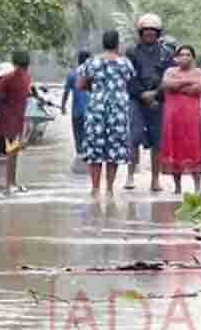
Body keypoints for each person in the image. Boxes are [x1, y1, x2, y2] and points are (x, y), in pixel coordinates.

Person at [79, 30, 136, 198]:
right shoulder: (125, 63)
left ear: (103, 43)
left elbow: (81, 84)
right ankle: (110, 189)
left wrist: (97, 90)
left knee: (95, 148)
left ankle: (95, 188)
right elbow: (129, 81)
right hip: (118, 108)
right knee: (115, 148)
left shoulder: (92, 62)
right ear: (118, 44)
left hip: (97, 107)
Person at [125, 13, 177, 192]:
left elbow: (170, 77)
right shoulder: (131, 52)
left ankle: (155, 180)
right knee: (133, 137)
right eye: (146, 31)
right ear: (140, 32)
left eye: (152, 31)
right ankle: (130, 176)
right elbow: (129, 78)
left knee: (158, 141)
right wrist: (142, 94)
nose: (149, 34)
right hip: (136, 101)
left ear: (158, 33)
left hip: (158, 101)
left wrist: (156, 94)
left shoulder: (167, 54)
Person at [159, 45, 201, 195]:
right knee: (175, 149)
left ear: (193, 58)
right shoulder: (169, 71)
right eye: (182, 54)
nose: (185, 57)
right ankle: (177, 187)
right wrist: (186, 82)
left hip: (192, 119)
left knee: (194, 149)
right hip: (173, 118)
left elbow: (198, 87)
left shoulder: (199, 72)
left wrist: (177, 85)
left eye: (188, 55)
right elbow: (166, 84)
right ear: (176, 58)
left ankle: (197, 187)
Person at [0, 51, 35, 196]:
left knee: (14, 151)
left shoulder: (20, 77)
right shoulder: (12, 78)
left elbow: (0, 97)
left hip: (17, 119)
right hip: (11, 119)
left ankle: (12, 183)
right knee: (12, 152)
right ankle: (9, 185)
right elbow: (0, 97)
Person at [61, 49, 91, 155]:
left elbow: (66, 92)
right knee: (90, 138)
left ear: (78, 60)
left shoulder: (72, 74)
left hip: (76, 113)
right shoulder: (92, 74)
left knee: (78, 138)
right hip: (91, 113)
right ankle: (89, 162)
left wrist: (63, 106)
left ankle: (80, 158)